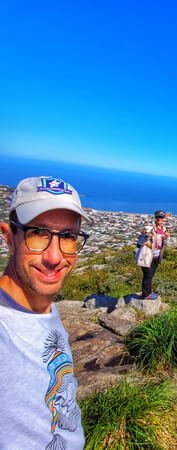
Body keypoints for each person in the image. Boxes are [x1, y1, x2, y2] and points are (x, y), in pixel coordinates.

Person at [0, 176, 91, 449]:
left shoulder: (44, 308)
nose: (54, 256)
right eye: (38, 233)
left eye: (68, 237)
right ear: (9, 237)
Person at [138, 210, 170, 300]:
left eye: (162, 217)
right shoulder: (150, 228)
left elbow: (165, 243)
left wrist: (167, 237)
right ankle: (146, 294)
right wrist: (146, 236)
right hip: (148, 255)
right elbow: (140, 242)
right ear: (155, 218)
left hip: (157, 255)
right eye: (158, 217)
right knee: (147, 275)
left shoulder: (163, 229)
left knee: (150, 275)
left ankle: (148, 292)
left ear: (164, 219)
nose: (160, 219)